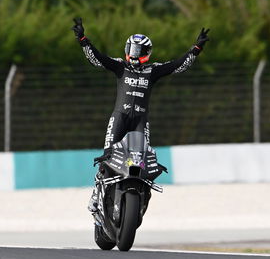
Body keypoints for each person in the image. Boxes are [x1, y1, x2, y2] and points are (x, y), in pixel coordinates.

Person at [71, 18, 209, 212]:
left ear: (147, 53)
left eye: (139, 50)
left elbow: (178, 65)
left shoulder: (153, 70)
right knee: (106, 156)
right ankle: (96, 196)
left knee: (143, 157)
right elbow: (97, 58)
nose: (134, 54)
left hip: (140, 121)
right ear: (127, 50)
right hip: (119, 117)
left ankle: (141, 194)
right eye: (132, 49)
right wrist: (83, 39)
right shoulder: (120, 66)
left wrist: (196, 49)